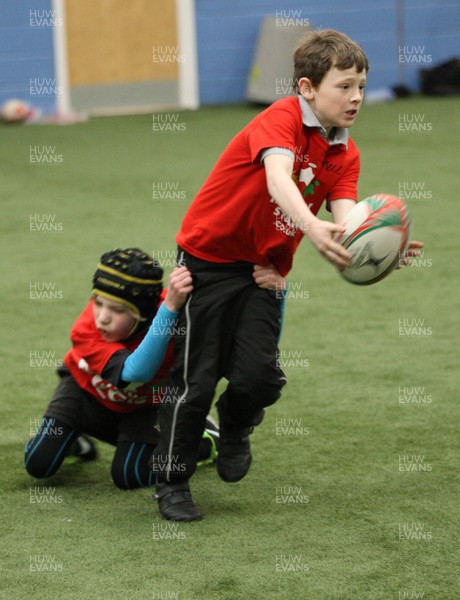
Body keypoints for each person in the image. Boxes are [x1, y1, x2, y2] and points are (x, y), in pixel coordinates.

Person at [151, 29, 424, 521]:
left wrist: (381, 249)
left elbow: (345, 225)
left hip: (262, 272)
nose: (357, 97)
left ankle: (235, 425)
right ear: (307, 87)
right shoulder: (279, 120)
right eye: (344, 86)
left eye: (362, 85)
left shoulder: (345, 152)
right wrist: (312, 227)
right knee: (195, 381)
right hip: (207, 263)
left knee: (260, 378)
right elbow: (279, 179)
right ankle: (171, 483)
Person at [24, 248, 219, 489]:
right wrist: (169, 309)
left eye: (118, 310)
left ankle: (203, 441)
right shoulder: (87, 328)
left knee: (129, 476)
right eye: (98, 302)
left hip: (145, 406)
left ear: (145, 315)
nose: (102, 318)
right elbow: (135, 374)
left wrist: (276, 286)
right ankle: (74, 441)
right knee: (38, 463)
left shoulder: (176, 310)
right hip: (85, 391)